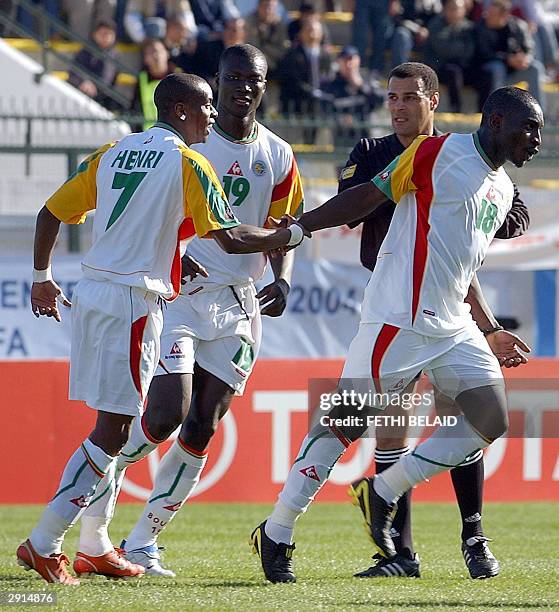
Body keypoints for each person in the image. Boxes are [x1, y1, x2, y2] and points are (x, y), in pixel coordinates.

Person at [16, 72, 306, 585]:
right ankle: (44, 542)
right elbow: (233, 237)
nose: (213, 116)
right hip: (135, 301)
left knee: (119, 425)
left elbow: (51, 212)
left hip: (96, 294)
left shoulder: (114, 151)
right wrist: (291, 235)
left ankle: (96, 542)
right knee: (114, 431)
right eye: (207, 106)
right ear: (180, 111)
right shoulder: (188, 161)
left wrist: (42, 279)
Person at [251, 85, 543, 583]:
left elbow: (458, 263)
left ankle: (381, 491)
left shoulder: (498, 188)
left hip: (451, 327)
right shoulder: (436, 152)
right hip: (398, 319)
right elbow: (367, 196)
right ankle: (276, 532)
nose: (536, 140)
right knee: (343, 424)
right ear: (495, 122)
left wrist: (487, 326)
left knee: (490, 418)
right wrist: (299, 228)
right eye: (528, 128)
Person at [338, 62, 531, 580]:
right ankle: (399, 554)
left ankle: (474, 535)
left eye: (409, 97)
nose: (398, 106)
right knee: (391, 431)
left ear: (432, 101)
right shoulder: (373, 153)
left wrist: (487, 326)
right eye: (391, 97)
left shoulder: (462, 155)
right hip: (391, 308)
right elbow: (353, 206)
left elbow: (515, 215)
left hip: (448, 306)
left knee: (460, 417)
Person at [474, 0, 545, 109]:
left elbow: (529, 47)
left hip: (513, 69)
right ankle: (494, 110)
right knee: (497, 67)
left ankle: (538, 112)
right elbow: (483, 54)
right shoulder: (480, 27)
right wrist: (507, 59)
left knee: (535, 68)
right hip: (489, 72)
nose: (488, 16)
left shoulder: (518, 26)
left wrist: (525, 58)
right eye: (488, 13)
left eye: (493, 15)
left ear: (505, 16)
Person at [69, 20, 122, 111]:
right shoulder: (85, 52)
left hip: (103, 99)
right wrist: (84, 81)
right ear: (95, 34)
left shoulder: (114, 55)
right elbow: (74, 71)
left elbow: (107, 79)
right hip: (82, 93)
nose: (106, 37)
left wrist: (94, 85)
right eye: (102, 33)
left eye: (109, 33)